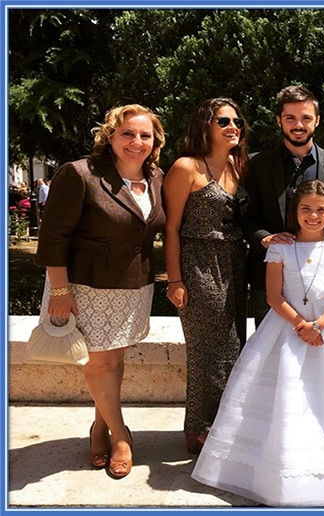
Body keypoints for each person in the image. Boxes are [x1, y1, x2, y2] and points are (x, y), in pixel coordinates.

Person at [191, 180, 324, 506]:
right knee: (286, 399)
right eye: (306, 209)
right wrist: (301, 324)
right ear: (295, 211)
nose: (313, 215)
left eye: (321, 210)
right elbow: (274, 296)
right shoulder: (279, 248)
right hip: (286, 330)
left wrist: (319, 325)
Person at [35, 104, 167, 478]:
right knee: (99, 362)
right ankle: (121, 434)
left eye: (145, 135)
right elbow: (53, 237)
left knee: (114, 358)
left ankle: (99, 426)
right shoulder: (80, 174)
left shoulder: (157, 177)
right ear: (110, 136)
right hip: (86, 284)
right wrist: (60, 291)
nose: (136, 142)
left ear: (155, 142)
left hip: (135, 285)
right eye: (127, 133)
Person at [163, 98, 249, 455]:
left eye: (238, 122)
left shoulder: (238, 165)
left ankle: (223, 424)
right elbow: (171, 228)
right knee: (206, 350)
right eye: (224, 121)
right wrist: (174, 280)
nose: (233, 127)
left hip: (234, 262)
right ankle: (198, 428)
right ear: (205, 125)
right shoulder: (187, 167)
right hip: (198, 262)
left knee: (233, 347)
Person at [244, 85, 324, 327]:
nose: (298, 125)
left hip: (323, 279)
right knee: (270, 354)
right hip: (270, 279)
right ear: (278, 120)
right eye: (290, 118)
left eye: (306, 118)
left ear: (317, 121)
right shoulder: (256, 164)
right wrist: (264, 238)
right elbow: (246, 216)